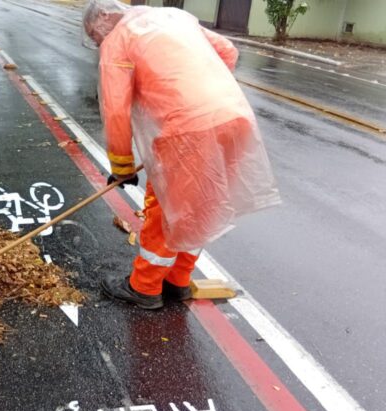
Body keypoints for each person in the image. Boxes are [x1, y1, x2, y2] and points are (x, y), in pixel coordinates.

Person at [84, 0, 281, 309]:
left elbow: (116, 112)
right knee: (200, 205)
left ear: (105, 17)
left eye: (94, 35)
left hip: (188, 131)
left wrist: (122, 166)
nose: (98, 42)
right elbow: (228, 51)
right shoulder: (173, 16)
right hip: (233, 117)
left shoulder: (118, 39)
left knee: (164, 207)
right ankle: (177, 281)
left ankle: (145, 287)